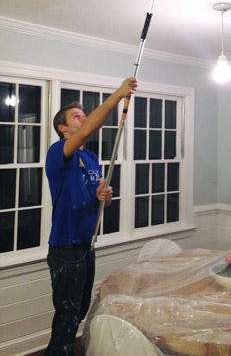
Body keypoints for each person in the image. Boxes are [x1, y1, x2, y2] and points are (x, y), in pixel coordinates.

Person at [44, 77, 137, 355]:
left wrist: (102, 198)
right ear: (63, 128)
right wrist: (118, 95)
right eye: (76, 116)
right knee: (66, 320)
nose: (83, 119)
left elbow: (95, 200)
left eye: (84, 115)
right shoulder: (58, 153)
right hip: (66, 247)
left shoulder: (93, 158)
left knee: (78, 313)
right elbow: (84, 133)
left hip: (88, 244)